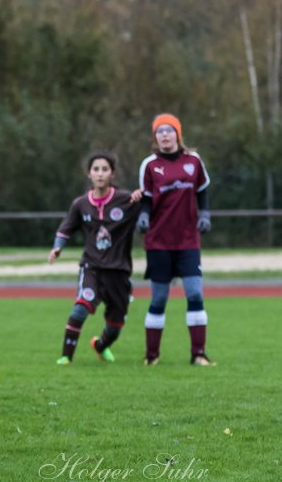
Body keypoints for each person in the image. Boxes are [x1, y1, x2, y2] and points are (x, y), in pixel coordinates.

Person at [136, 114, 214, 366]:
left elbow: (202, 192)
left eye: (169, 131)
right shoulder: (149, 164)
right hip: (158, 241)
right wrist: (144, 217)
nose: (165, 135)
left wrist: (204, 215)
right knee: (159, 298)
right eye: (160, 131)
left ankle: (198, 354)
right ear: (155, 137)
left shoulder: (194, 161)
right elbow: (147, 198)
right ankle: (152, 356)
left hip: (188, 241)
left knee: (195, 294)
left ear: (178, 134)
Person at [49, 152, 141, 364]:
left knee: (115, 325)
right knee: (80, 308)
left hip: (119, 271)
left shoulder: (126, 200)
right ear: (89, 174)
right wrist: (57, 248)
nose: (100, 174)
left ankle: (100, 345)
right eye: (96, 169)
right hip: (92, 268)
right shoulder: (80, 204)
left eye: (105, 169)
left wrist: (141, 195)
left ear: (112, 174)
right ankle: (66, 357)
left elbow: (152, 202)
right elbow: (65, 229)